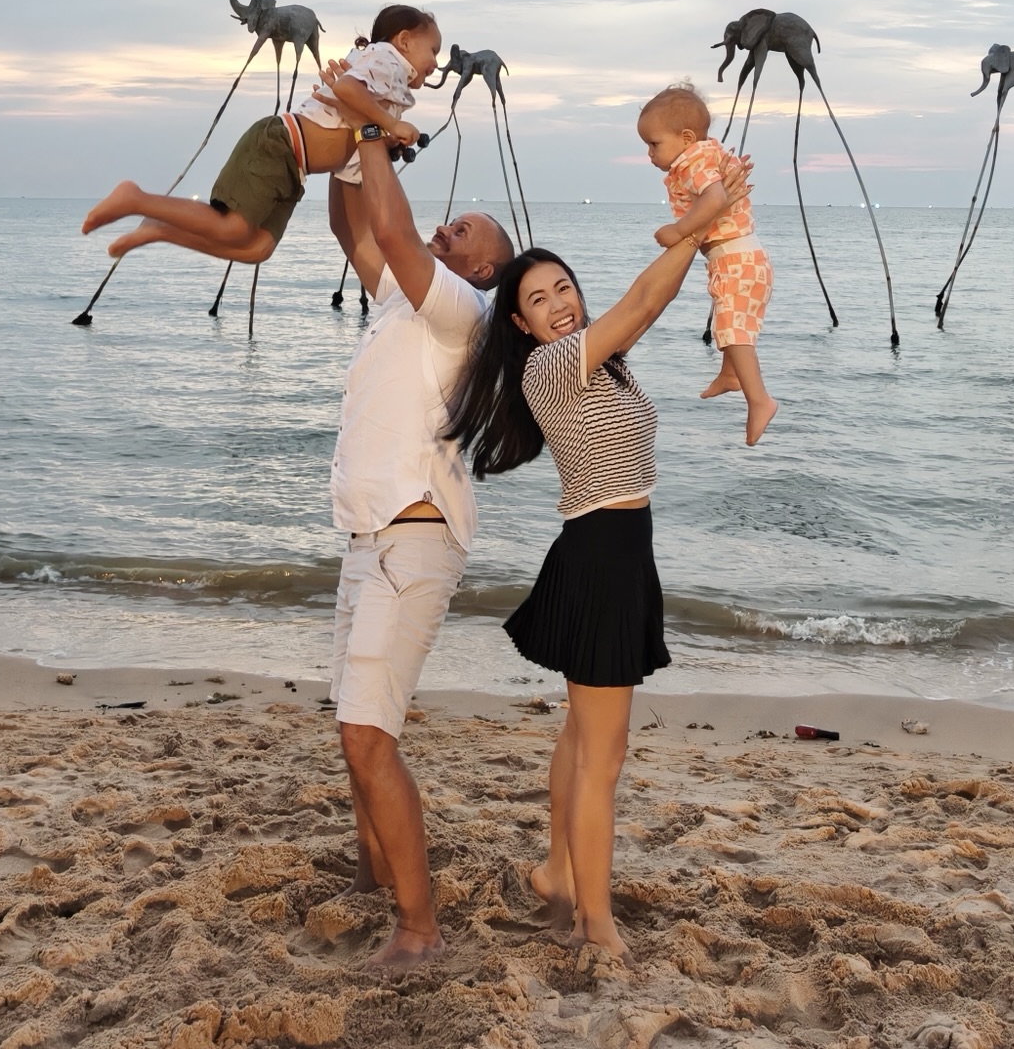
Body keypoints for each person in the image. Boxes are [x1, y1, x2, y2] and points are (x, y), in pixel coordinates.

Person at [442, 149, 747, 960]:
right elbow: (646, 301)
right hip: (600, 556)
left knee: (582, 741)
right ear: (522, 325)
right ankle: (594, 922)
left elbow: (645, 308)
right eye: (537, 300)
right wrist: (702, 220)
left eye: (563, 288)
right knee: (602, 760)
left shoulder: (602, 368)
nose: (557, 305)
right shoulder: (551, 368)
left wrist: (700, 227)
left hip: (616, 550)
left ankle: (555, 874)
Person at [319, 97, 515, 972]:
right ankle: (374, 874)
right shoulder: (405, 303)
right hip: (370, 536)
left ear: (487, 265)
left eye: (462, 227)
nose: (444, 229)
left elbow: (395, 236)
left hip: (415, 536)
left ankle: (421, 928)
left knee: (369, 734)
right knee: (355, 730)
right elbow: (358, 231)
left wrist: (371, 129)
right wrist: (349, 159)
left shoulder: (462, 310)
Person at [77, 5, 441, 266]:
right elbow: (346, 88)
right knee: (234, 228)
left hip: (294, 169)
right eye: (434, 50)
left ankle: (159, 230)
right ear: (405, 40)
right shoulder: (387, 58)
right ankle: (136, 198)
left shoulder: (389, 90)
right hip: (279, 145)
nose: (436, 63)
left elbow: (356, 166)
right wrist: (391, 126)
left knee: (257, 249)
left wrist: (385, 139)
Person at [638, 82, 777, 445]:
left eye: (654, 144)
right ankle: (730, 374)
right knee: (727, 322)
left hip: (737, 257)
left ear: (685, 138)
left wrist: (679, 229)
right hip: (736, 258)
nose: (649, 155)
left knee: (734, 329)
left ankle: (759, 399)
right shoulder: (702, 155)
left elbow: (715, 196)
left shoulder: (693, 161)